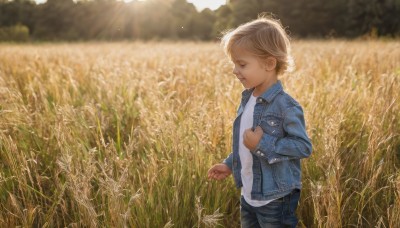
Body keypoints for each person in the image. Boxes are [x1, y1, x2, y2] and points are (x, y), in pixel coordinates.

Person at [207, 15, 312, 228]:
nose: (235, 70)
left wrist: (262, 145)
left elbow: (303, 147)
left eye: (242, 64)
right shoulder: (248, 99)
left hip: (275, 198)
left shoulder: (286, 106)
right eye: (234, 64)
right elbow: (245, 142)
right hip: (249, 194)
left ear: (269, 63)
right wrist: (229, 164)